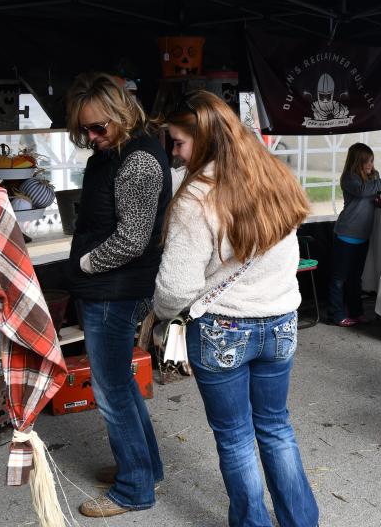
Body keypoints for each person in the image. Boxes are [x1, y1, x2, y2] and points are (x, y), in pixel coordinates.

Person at [153, 91, 320, 527]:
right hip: (281, 322)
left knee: (235, 438)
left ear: (204, 138)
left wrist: (157, 313)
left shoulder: (197, 197)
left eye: (179, 142)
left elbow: (175, 288)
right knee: (276, 427)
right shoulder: (274, 176)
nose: (175, 152)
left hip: (223, 328)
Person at [65, 72, 169, 518]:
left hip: (115, 291)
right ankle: (145, 468)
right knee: (121, 384)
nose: (91, 137)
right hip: (107, 289)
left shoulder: (140, 161)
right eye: (83, 130)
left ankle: (133, 489)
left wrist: (84, 265)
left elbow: (132, 239)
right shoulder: (114, 153)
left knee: (110, 391)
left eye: (98, 128)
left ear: (123, 114)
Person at [330, 143, 381, 327]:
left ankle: (356, 312)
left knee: (355, 278)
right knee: (339, 278)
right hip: (346, 233)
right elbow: (362, 191)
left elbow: (375, 195)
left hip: (363, 235)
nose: (370, 165)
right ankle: (336, 314)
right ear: (356, 162)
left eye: (372, 161)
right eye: (366, 162)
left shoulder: (373, 177)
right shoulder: (349, 178)